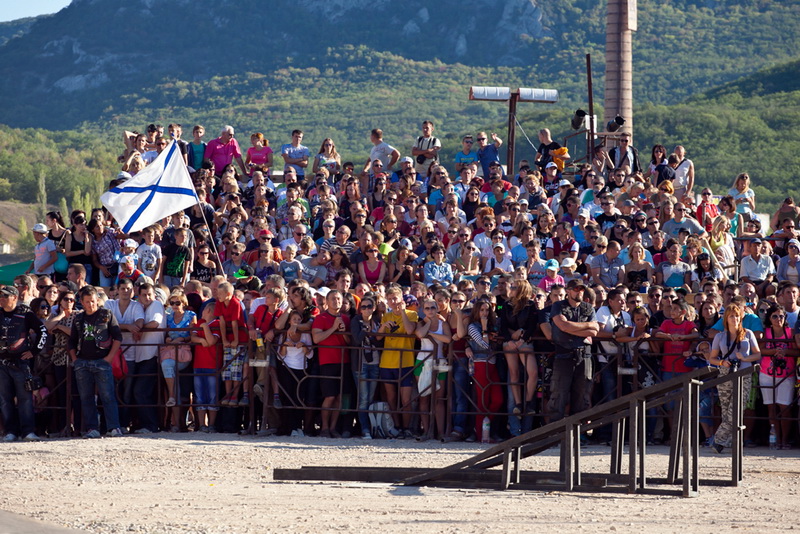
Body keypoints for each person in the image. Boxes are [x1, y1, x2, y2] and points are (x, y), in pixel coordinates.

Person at [68, 285, 124, 438]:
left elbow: (118, 337)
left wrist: (110, 357)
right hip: (83, 362)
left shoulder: (106, 314)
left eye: (93, 301)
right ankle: (92, 428)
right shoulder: (78, 318)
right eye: (87, 302)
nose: (90, 304)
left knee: (107, 396)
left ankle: (113, 427)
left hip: (102, 360)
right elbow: (71, 341)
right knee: (86, 397)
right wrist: (75, 360)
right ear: (82, 302)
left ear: (97, 300)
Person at [707, 304, 760, 453]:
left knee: (737, 408)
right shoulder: (720, 336)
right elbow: (712, 358)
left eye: (737, 315)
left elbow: (758, 354)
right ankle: (728, 442)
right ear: (726, 318)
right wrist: (722, 362)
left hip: (743, 374)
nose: (734, 318)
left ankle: (717, 439)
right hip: (725, 373)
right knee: (726, 409)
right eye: (731, 316)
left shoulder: (748, 334)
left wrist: (745, 357)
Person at [0, 285, 47, 442]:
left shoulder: (25, 313)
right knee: (5, 399)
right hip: (1, 363)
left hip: (21, 363)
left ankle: (28, 431)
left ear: (14, 297)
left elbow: (43, 331)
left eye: (5, 296)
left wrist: (34, 351)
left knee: (25, 398)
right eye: (0, 296)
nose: (2, 299)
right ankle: (10, 432)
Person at [548, 279, 599, 421]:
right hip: (564, 354)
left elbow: (595, 331)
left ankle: (578, 434)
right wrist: (587, 326)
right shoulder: (558, 306)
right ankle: (553, 433)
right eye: (576, 289)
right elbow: (562, 326)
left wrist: (571, 327)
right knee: (558, 394)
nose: (580, 292)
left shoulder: (588, 307)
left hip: (584, 355)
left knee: (582, 395)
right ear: (568, 291)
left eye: (582, 289)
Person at [378, 286, 417, 436]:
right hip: (387, 362)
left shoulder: (412, 314)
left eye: (395, 298)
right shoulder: (386, 316)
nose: (393, 302)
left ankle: (406, 428)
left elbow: (409, 330)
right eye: (390, 299)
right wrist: (383, 326)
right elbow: (379, 337)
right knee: (391, 398)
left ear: (401, 299)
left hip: (406, 362)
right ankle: (397, 427)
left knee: (405, 399)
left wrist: (402, 313)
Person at [311, 289, 351, 438]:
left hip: (344, 361)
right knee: (329, 397)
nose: (337, 302)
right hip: (327, 362)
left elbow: (349, 342)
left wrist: (342, 332)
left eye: (339, 299)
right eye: (333, 299)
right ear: (327, 302)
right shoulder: (320, 318)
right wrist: (334, 328)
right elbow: (316, 339)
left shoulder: (346, 319)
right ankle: (324, 428)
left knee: (340, 397)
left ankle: (333, 428)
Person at [761, 304, 796, 449]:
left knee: (785, 406)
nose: (778, 319)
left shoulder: (791, 332)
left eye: (781, 316)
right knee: (771, 408)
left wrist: (785, 352)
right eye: (774, 316)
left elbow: (797, 352)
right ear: (769, 318)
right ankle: (775, 439)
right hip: (766, 373)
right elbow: (760, 350)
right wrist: (775, 351)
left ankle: (784, 440)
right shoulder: (765, 332)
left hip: (787, 374)